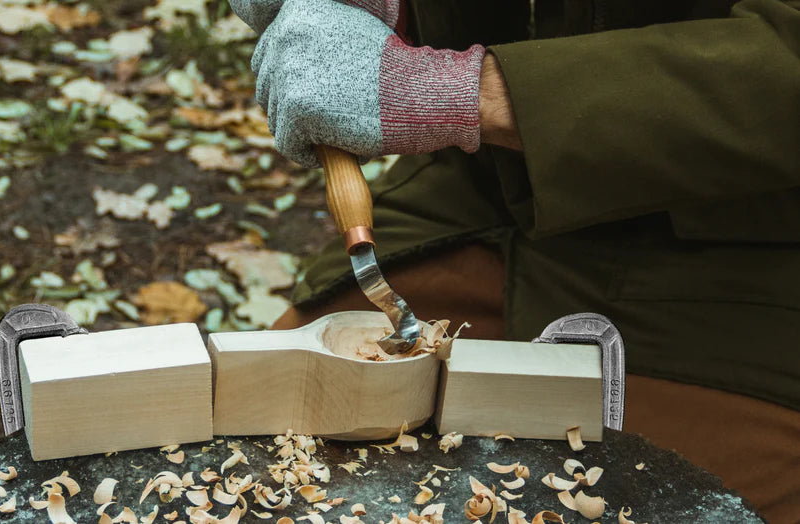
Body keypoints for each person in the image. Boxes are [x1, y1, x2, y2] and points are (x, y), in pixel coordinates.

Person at [229, 0, 800, 521]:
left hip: (741, 245)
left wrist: (466, 94)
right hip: (485, 187)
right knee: (261, 450)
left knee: (677, 502)